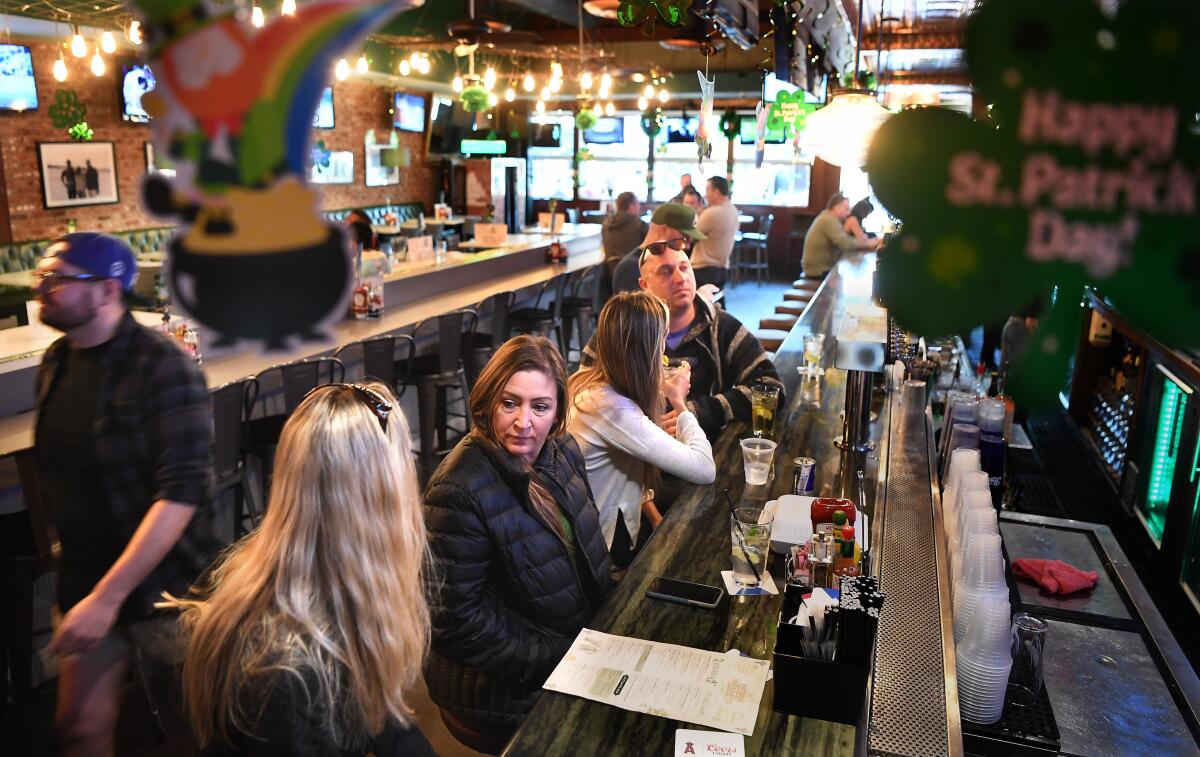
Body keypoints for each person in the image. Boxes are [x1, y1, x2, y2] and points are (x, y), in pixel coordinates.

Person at [168, 382, 435, 757]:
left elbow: (380, 712)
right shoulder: (284, 670)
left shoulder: (334, 593)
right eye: (405, 460)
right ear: (376, 497)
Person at [32, 233, 218, 757]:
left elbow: (179, 495)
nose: (44, 288)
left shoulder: (165, 367)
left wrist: (108, 599)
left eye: (59, 279)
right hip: (87, 581)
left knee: (199, 733)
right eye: (43, 278)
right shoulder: (56, 363)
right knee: (78, 728)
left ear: (108, 290)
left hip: (169, 587)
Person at [424, 336, 612, 753]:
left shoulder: (561, 450)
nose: (523, 422)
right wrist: (567, 656)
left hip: (569, 644)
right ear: (488, 401)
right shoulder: (458, 487)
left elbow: (586, 553)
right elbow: (456, 625)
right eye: (510, 403)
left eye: (540, 407)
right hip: (494, 684)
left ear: (559, 410)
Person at [589, 216, 784, 440]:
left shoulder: (723, 328)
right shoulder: (620, 330)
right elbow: (585, 392)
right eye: (666, 271)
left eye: (684, 267)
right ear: (644, 285)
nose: (680, 278)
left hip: (707, 456)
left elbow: (771, 388)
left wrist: (702, 412)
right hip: (636, 459)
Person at [568, 292, 715, 567]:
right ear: (647, 350)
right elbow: (705, 469)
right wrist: (679, 402)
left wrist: (656, 520)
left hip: (598, 523)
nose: (665, 353)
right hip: (598, 545)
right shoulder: (613, 408)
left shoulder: (589, 383)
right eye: (662, 341)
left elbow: (626, 474)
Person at [611, 202, 705, 296]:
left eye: (683, 268)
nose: (687, 245)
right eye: (684, 237)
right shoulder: (629, 268)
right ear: (664, 230)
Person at [801, 192, 882, 278]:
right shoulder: (828, 220)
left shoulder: (827, 217)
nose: (848, 213)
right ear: (836, 207)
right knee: (852, 276)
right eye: (846, 209)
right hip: (818, 270)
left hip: (816, 268)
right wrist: (866, 244)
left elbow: (844, 241)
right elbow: (844, 243)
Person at [691, 176, 740, 290]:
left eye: (707, 190)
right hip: (721, 267)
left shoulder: (712, 213)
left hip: (703, 268)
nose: (705, 195)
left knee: (701, 305)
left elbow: (692, 237)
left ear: (716, 192)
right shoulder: (734, 210)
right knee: (717, 304)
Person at [600, 191, 647, 302]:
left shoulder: (606, 224)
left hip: (609, 276)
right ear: (631, 206)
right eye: (637, 204)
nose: (639, 208)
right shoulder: (640, 225)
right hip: (634, 277)